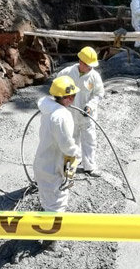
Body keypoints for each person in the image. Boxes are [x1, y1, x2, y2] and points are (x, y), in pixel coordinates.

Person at [33, 75, 81, 213]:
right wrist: (77, 153)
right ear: (68, 97)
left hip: (43, 162)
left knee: (47, 200)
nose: (73, 99)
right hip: (53, 167)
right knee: (56, 205)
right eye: (73, 96)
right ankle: (52, 231)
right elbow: (66, 145)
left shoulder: (48, 108)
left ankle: (45, 226)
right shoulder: (61, 116)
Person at [57, 47, 105, 177]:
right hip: (70, 114)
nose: (90, 68)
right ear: (81, 62)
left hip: (87, 115)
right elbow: (56, 88)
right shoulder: (66, 73)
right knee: (71, 139)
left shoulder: (94, 77)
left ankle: (89, 166)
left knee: (89, 140)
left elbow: (99, 93)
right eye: (88, 65)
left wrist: (90, 106)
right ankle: (72, 163)